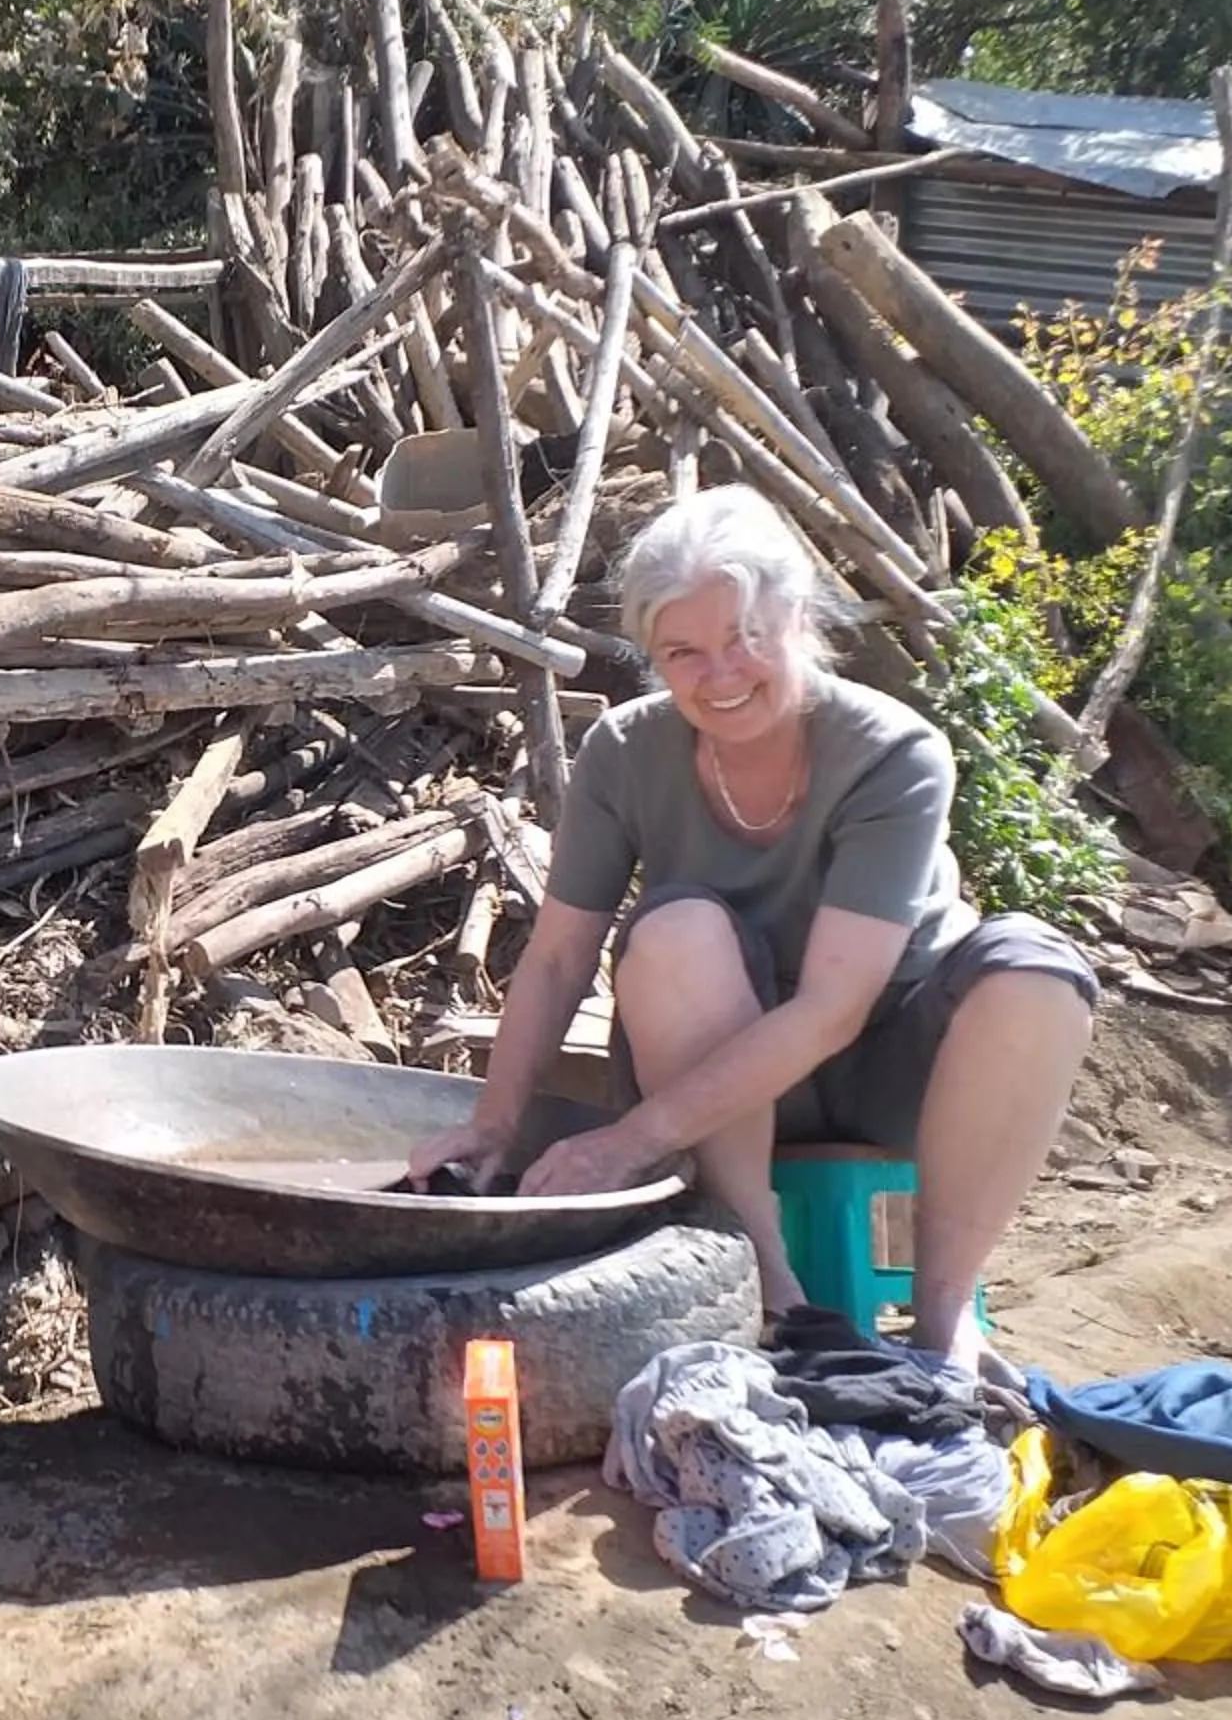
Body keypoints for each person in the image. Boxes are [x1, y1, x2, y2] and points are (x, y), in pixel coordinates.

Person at [406, 485, 1098, 1370]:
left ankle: (941, 1319)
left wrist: (631, 1141)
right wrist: (496, 1124)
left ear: (797, 616)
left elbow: (834, 1011)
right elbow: (557, 957)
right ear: (651, 656)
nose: (720, 675)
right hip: (711, 1063)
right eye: (683, 652)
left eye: (743, 638)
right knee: (676, 930)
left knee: (1038, 970)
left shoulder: (893, 753)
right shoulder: (625, 752)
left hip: (894, 1062)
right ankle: (771, 1293)